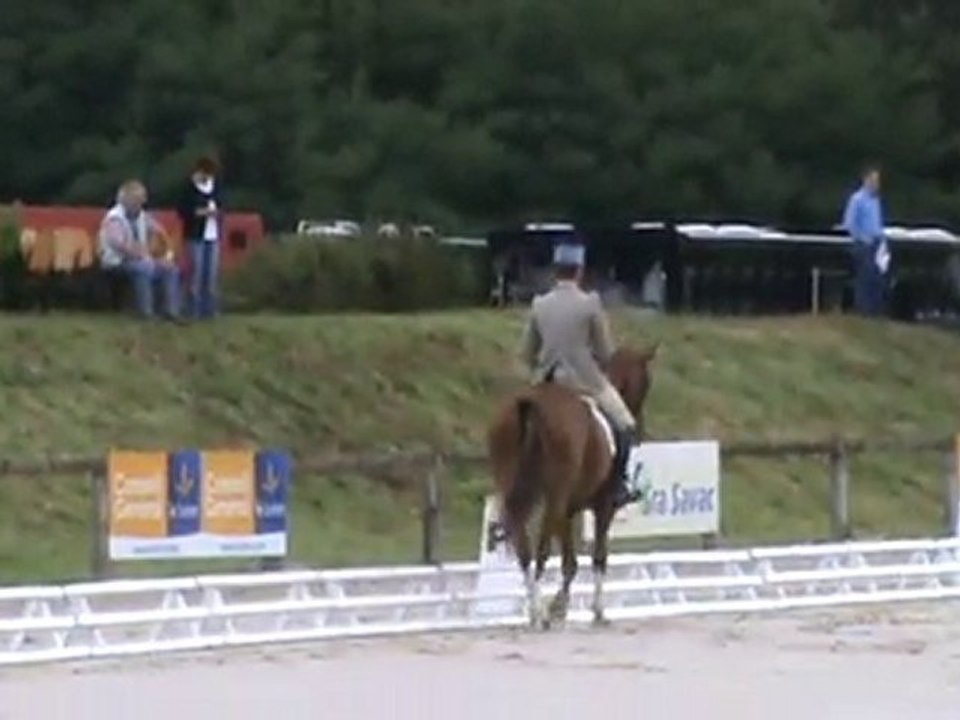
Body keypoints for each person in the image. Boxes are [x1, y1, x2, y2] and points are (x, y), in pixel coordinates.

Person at [518, 240, 641, 510]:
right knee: (625, 425)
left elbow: (526, 353)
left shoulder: (539, 304)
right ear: (580, 271)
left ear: (556, 270)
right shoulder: (590, 304)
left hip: (546, 380)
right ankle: (618, 485)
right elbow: (606, 352)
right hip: (583, 380)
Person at [98, 180, 183, 322]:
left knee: (170, 269)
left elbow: (159, 231)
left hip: (141, 257)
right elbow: (119, 245)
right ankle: (146, 312)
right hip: (116, 261)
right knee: (144, 268)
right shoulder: (114, 218)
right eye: (137, 199)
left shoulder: (142, 216)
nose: (141, 202)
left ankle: (171, 312)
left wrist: (166, 253)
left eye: (142, 198)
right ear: (125, 200)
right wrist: (143, 255)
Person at [177, 156, 223, 319]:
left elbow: (222, 204)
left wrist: (217, 213)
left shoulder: (216, 187)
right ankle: (192, 309)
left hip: (213, 234)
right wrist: (199, 212)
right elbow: (182, 211)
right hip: (195, 235)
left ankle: (209, 309)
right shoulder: (188, 188)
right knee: (195, 272)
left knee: (211, 274)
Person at [842, 164, 890, 316]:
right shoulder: (857, 199)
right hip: (863, 244)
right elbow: (849, 223)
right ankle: (863, 311)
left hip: (877, 244)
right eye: (873, 180)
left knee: (877, 278)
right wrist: (863, 238)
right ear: (866, 180)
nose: (876, 184)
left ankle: (876, 311)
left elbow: (877, 222)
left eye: (877, 181)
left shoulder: (876, 201)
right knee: (865, 278)